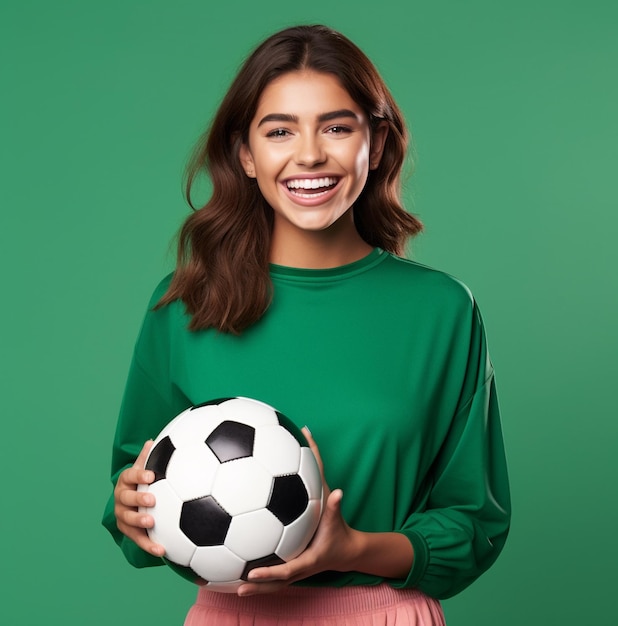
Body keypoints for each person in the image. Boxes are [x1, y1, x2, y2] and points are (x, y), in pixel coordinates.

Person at [102, 24, 511, 626]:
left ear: (376, 144)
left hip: (381, 614)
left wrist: (354, 549)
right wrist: (129, 506)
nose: (310, 154)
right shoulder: (185, 303)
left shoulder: (441, 310)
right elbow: (131, 484)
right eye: (279, 131)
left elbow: (474, 522)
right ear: (245, 154)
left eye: (337, 127)